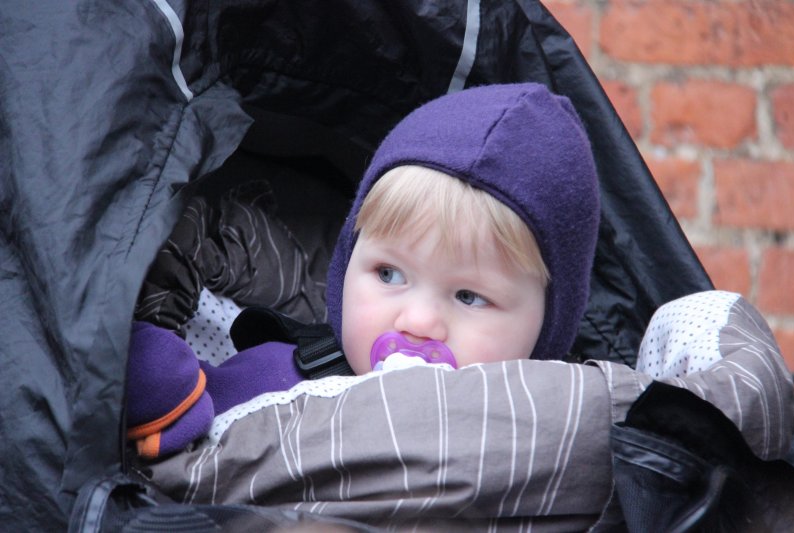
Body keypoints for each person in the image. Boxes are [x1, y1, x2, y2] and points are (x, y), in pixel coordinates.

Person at [126, 82, 600, 458]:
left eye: (469, 296)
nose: (417, 322)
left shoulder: (568, 438)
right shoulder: (278, 383)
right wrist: (150, 371)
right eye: (389, 274)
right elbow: (180, 432)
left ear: (547, 328)